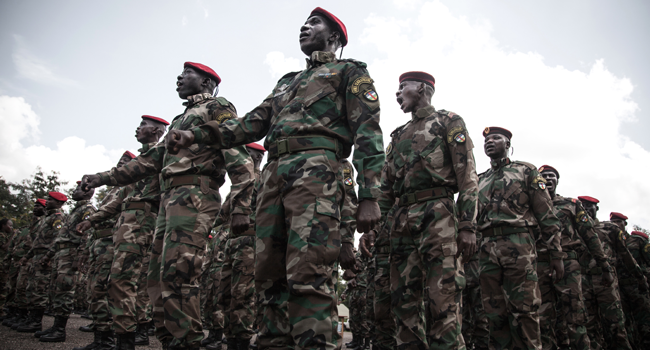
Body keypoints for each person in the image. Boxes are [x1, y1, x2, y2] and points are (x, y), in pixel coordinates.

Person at [165, 8, 384, 350]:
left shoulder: (348, 72)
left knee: (309, 271)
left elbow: (369, 133)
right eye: (305, 22)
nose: (304, 27)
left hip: (317, 171)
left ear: (335, 37)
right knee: (268, 273)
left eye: (315, 23)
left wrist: (370, 195)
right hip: (274, 174)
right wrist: (197, 137)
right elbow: (252, 122)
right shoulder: (287, 81)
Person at [82, 61, 255, 350]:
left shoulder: (217, 107)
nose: (179, 77)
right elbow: (146, 163)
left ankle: (187, 343)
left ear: (205, 82)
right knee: (157, 279)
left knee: (181, 275)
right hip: (169, 201)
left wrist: (241, 206)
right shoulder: (180, 120)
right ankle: (170, 342)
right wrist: (100, 178)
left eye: (187, 73)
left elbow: (239, 157)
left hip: (195, 197)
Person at [375, 71, 478, 349]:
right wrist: (374, 230)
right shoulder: (399, 136)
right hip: (402, 222)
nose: (397, 94)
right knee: (403, 304)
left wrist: (467, 225)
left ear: (421, 87)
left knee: (443, 301)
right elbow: (385, 191)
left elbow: (467, 176)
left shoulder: (448, 122)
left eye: (402, 88)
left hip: (439, 216)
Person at [476, 127, 563, 350]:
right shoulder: (479, 180)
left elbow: (546, 213)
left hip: (518, 244)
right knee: (494, 312)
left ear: (508, 144)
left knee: (525, 310)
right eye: (486, 139)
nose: (489, 142)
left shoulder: (526, 171)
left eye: (496, 138)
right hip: (487, 249)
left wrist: (556, 253)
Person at [107, 114, 168, 349]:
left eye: (143, 125)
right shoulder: (142, 159)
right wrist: (92, 221)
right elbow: (119, 199)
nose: (138, 128)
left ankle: (128, 339)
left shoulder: (161, 156)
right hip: (129, 223)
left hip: (143, 223)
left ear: (156, 131)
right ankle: (125, 337)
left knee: (126, 280)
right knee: (121, 280)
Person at [537, 165, 612, 350]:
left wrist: (604, 266)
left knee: (575, 317)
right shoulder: (531, 205)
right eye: (543, 176)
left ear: (557, 180)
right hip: (540, 264)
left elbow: (589, 235)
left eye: (551, 176)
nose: (547, 178)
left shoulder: (570, 204)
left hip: (567, 263)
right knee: (543, 320)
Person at [75, 151, 136, 350]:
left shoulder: (131, 185)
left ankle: (108, 340)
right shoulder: (114, 189)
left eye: (125, 163)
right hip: (100, 243)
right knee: (95, 289)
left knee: (106, 289)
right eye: (119, 162)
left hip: (113, 242)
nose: (119, 165)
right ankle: (101, 339)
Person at [214, 142, 265, 350]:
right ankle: (231, 335)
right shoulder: (239, 183)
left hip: (250, 243)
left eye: (256, 156)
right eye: (251, 155)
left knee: (243, 295)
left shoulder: (262, 180)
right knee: (225, 293)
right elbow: (224, 213)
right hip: (232, 243)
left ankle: (241, 340)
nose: (253, 159)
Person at [36, 182, 96, 342]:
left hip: (71, 253)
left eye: (78, 189)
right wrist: (48, 256)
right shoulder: (75, 211)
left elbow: (87, 234)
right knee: (56, 289)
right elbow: (61, 236)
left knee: (65, 289)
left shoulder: (88, 210)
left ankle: (60, 330)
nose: (74, 191)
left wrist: (80, 256)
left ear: (87, 192)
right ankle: (55, 326)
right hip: (61, 253)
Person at [578, 196, 637, 350]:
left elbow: (625, 255)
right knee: (589, 327)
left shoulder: (609, 229)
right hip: (584, 282)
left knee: (616, 327)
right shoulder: (575, 228)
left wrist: (640, 278)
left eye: (590, 206)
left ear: (596, 209)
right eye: (583, 206)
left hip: (605, 281)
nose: (586, 209)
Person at [17, 191, 68, 333]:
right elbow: (37, 242)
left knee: (40, 289)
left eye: (50, 200)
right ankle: (31, 318)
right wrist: (27, 256)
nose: (47, 201)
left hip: (46, 257)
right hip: (37, 255)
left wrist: (48, 256)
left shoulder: (57, 218)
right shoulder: (47, 218)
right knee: (31, 287)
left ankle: (36, 322)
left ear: (59, 203)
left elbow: (57, 239)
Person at [3, 199, 46, 329]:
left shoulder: (45, 223)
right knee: (19, 287)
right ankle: (19, 314)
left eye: (38, 206)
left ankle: (31, 318)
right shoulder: (27, 228)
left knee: (32, 289)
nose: (35, 208)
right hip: (24, 260)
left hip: (36, 260)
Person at [610, 212, 650, 349]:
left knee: (645, 321)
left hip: (638, 288)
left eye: (618, 222)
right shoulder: (609, 241)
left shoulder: (637, 241)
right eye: (613, 222)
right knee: (625, 323)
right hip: (619, 288)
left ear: (624, 224)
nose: (615, 225)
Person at [0, 218, 16, 319]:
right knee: (2, 288)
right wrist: (13, 237)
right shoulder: (1, 235)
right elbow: (5, 247)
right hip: (1, 265)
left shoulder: (5, 235)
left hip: (3, 265)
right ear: (3, 225)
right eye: (10, 225)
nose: (11, 227)